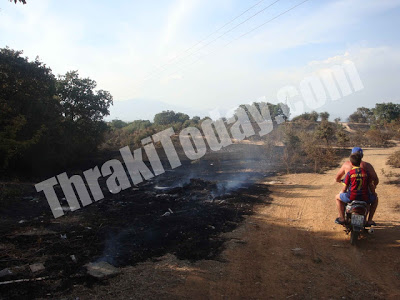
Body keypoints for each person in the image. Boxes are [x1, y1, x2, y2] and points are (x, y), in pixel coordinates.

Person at [335, 153, 378, 225]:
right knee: (375, 200)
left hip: (351, 197)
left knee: (337, 197)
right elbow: (371, 185)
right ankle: (370, 220)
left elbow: (345, 188)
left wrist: (341, 193)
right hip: (365, 198)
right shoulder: (366, 173)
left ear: (351, 163)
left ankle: (342, 218)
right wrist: (374, 194)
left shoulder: (350, 173)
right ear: (360, 161)